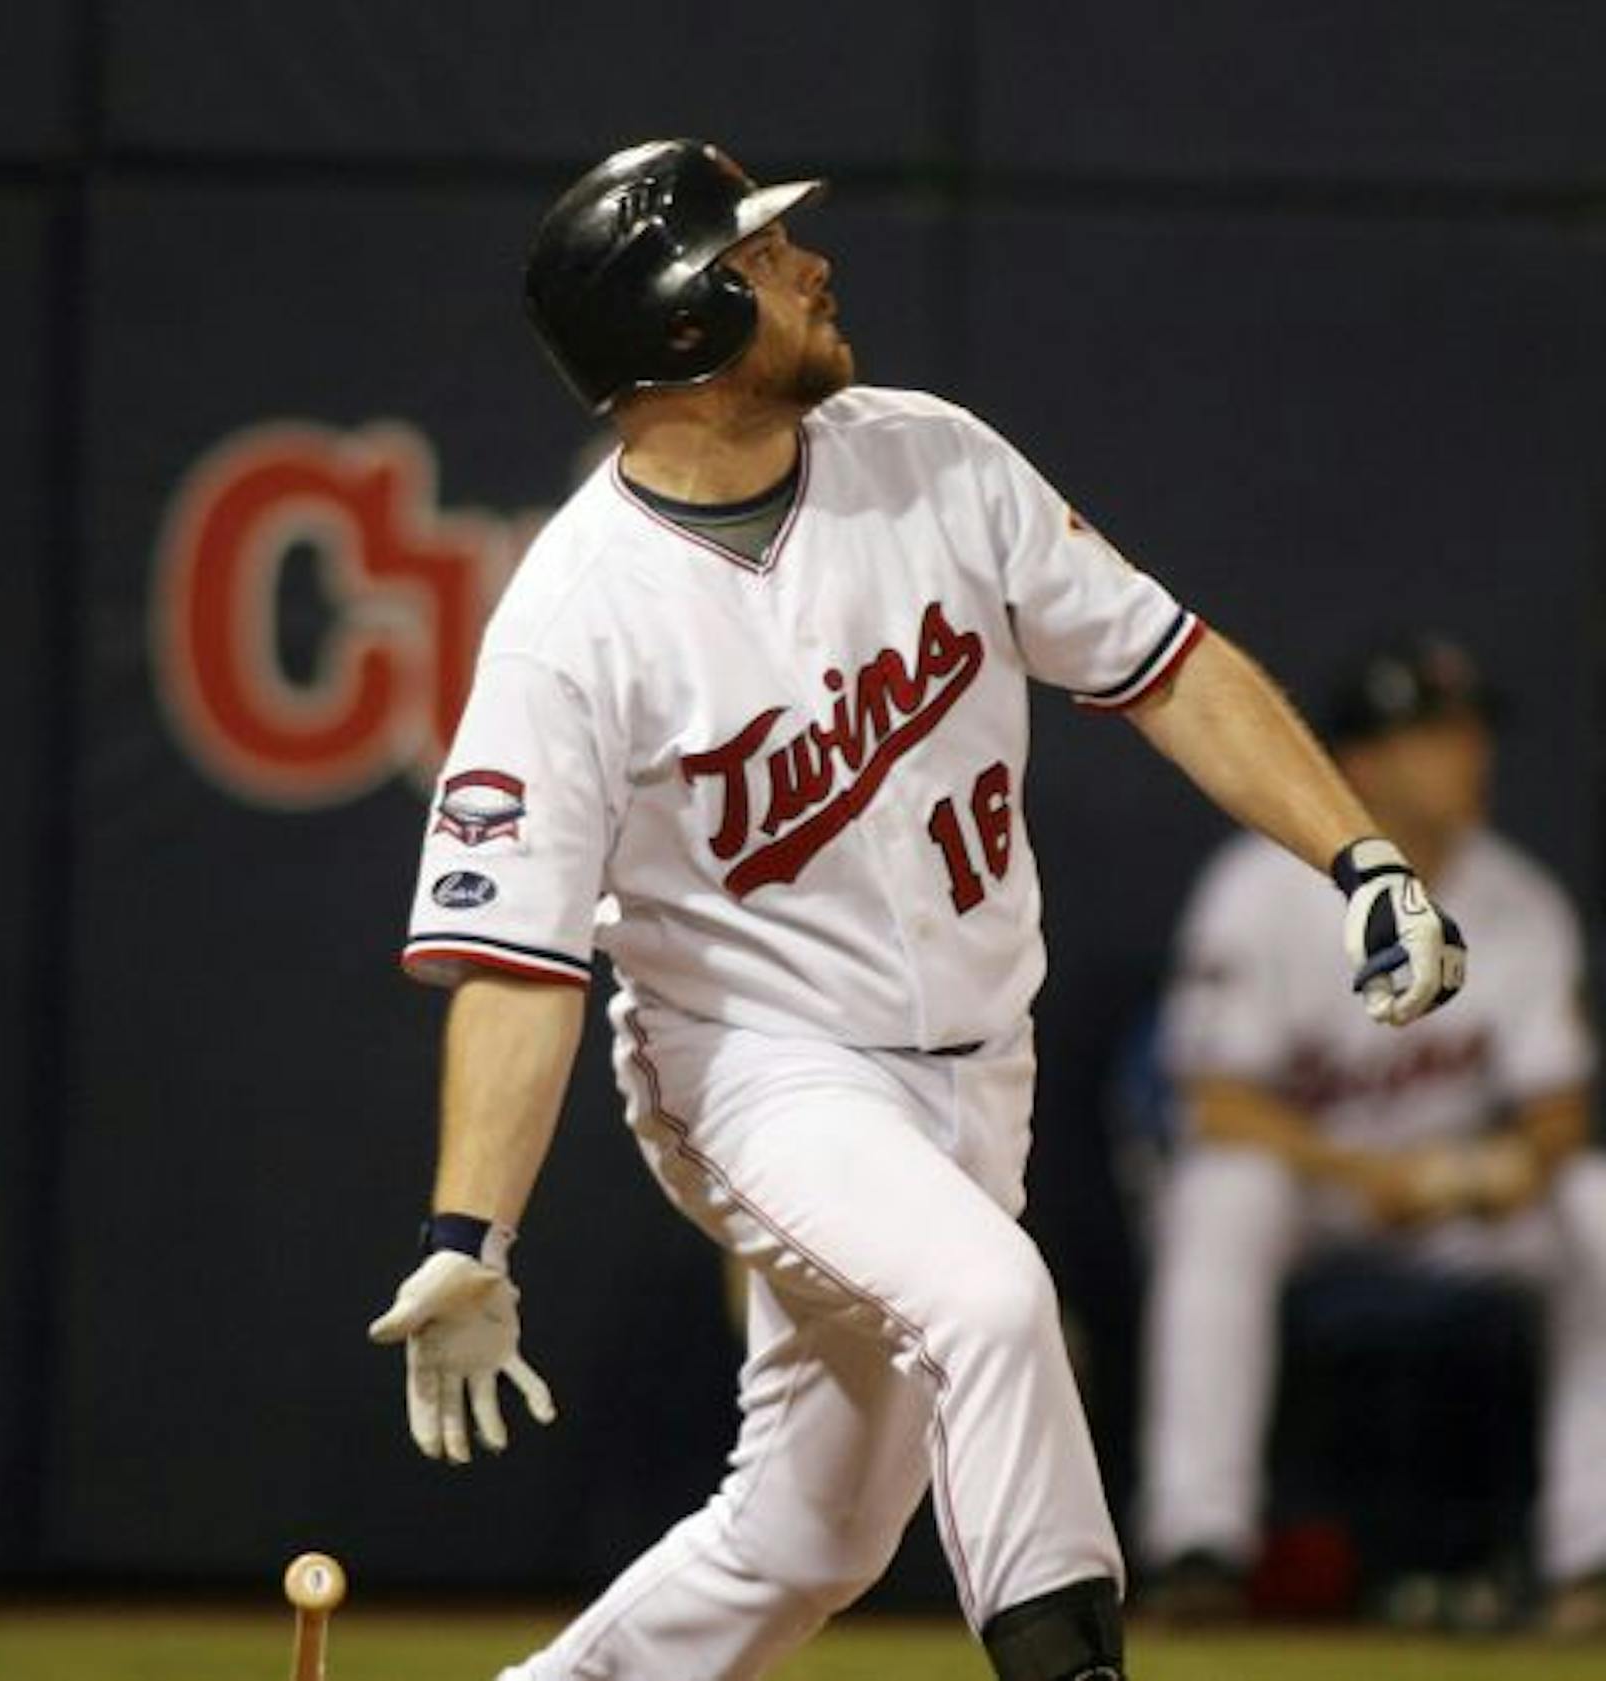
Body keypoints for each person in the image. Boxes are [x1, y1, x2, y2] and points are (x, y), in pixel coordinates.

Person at [363, 137, 1466, 1681]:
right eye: (758, 257)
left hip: (974, 1060)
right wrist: (469, 1231)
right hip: (761, 1066)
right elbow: (518, 956)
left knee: (808, 1536)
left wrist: (1360, 855)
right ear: (687, 328)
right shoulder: (573, 618)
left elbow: (1169, 662)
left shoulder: (932, 456)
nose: (809, 263)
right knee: (993, 1302)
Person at [1138, 636, 1606, 1636]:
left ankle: (1590, 1552)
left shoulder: (1522, 901)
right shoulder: (1260, 888)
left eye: (1469, 730)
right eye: (1432, 735)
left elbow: (1560, 1108)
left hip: (1453, 1196)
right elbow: (1214, 1101)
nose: (1467, 753)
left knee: (1597, 1203)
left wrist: (1513, 1165)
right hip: (1320, 1187)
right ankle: (1199, 1541)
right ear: (1358, 765)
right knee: (1223, 1192)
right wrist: (1366, 1171)